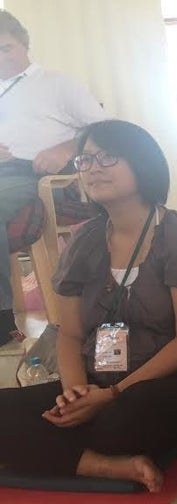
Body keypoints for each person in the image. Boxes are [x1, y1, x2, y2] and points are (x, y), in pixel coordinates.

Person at [0, 119, 177, 491]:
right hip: (98, 378)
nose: (93, 168)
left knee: (122, 422)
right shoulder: (85, 241)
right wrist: (75, 393)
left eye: (108, 157)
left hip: (167, 383)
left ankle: (67, 451)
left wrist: (111, 396)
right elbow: (70, 333)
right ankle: (102, 465)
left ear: (142, 163)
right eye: (85, 161)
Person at [0, 10, 106, 347]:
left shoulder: (56, 83)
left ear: (24, 45)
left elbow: (105, 131)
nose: (0, 57)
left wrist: (66, 147)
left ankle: (1, 321)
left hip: (41, 175)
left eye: (6, 48)